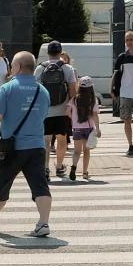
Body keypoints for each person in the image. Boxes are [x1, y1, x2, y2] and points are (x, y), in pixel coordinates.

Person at [0, 51, 52, 237]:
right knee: (40, 185)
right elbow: (42, 116)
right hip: (37, 145)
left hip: (12, 147)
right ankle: (43, 223)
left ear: (16, 67)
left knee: (2, 183)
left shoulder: (7, 89)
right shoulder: (43, 91)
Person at [35, 41, 78, 178]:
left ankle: (45, 168)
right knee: (62, 139)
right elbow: (72, 90)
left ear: (48, 52)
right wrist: (72, 107)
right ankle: (59, 167)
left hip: (45, 110)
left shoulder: (40, 68)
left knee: (46, 140)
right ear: (60, 52)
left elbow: (36, 89)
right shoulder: (67, 68)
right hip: (63, 110)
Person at [69, 76, 101, 181]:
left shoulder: (74, 99)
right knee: (86, 151)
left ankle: (73, 167)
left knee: (76, 151)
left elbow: (67, 112)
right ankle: (84, 173)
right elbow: (95, 115)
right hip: (88, 128)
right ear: (91, 87)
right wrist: (98, 129)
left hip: (77, 128)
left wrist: (73, 119)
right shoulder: (93, 100)